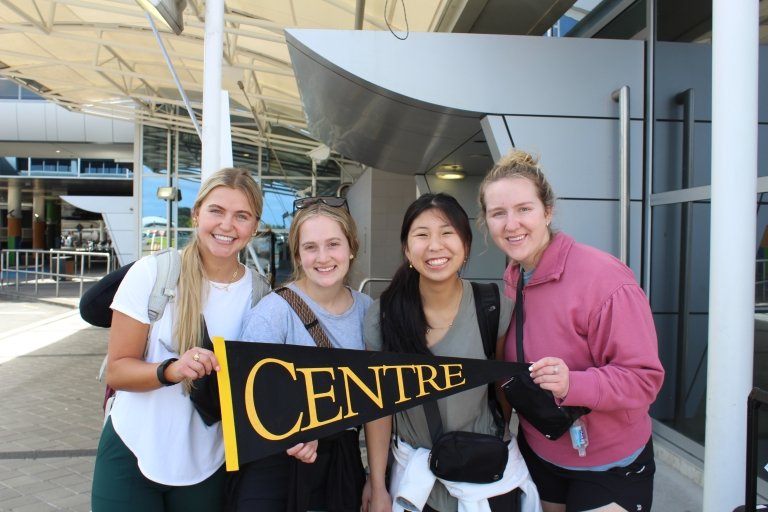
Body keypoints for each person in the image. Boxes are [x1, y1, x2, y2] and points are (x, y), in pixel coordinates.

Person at [478, 149, 665, 512]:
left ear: (547, 211)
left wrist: (572, 384)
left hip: (610, 465)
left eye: (524, 209)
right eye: (498, 213)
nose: (511, 224)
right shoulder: (513, 277)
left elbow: (644, 379)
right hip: (541, 452)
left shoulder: (605, 279)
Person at [91, 168, 270, 512]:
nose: (227, 225)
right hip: (132, 450)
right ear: (197, 213)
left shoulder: (260, 295)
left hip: (209, 463)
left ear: (255, 227)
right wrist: (172, 370)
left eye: (241, 216)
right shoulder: (153, 273)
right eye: (216, 211)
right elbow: (117, 370)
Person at [362, 192, 540, 512]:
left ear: (466, 245)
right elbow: (378, 409)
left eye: (447, 233)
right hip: (416, 487)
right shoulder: (383, 315)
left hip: (487, 478)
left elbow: (503, 393)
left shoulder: (493, 306)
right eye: (421, 235)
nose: (435, 245)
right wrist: (377, 485)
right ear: (406, 248)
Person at [232, 196, 372, 511]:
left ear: (351, 247)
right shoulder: (274, 312)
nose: (323, 257)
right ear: (297, 254)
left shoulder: (367, 310)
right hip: (276, 465)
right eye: (310, 247)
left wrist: (376, 479)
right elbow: (245, 396)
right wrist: (293, 431)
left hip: (341, 463)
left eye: (333, 244)